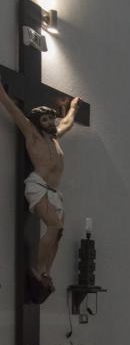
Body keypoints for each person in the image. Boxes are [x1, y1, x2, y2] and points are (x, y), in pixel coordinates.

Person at [0, 82, 80, 299]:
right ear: (37, 123)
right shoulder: (32, 135)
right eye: (44, 119)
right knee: (54, 225)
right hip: (38, 186)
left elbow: (67, 122)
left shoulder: (55, 138)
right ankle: (37, 269)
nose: (49, 122)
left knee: (59, 233)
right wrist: (2, 93)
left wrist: (73, 107)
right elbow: (14, 111)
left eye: (50, 118)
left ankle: (46, 272)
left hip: (54, 192)